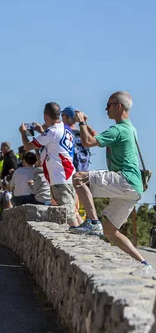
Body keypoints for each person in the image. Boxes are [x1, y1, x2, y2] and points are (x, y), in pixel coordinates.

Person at [70, 91, 150, 266]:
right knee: (110, 231)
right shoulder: (129, 128)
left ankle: (92, 221)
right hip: (134, 189)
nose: (106, 108)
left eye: (109, 105)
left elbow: (87, 142)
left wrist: (81, 122)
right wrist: (87, 125)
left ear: (118, 106)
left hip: (124, 179)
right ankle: (144, 263)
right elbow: (100, 137)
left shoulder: (118, 129)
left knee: (78, 178)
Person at [20, 102, 79, 227]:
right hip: (65, 176)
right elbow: (53, 143)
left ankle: (83, 241)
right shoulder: (66, 128)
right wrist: (42, 130)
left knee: (68, 216)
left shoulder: (51, 132)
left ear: (45, 115)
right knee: (69, 213)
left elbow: (27, 147)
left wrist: (23, 133)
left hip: (61, 178)